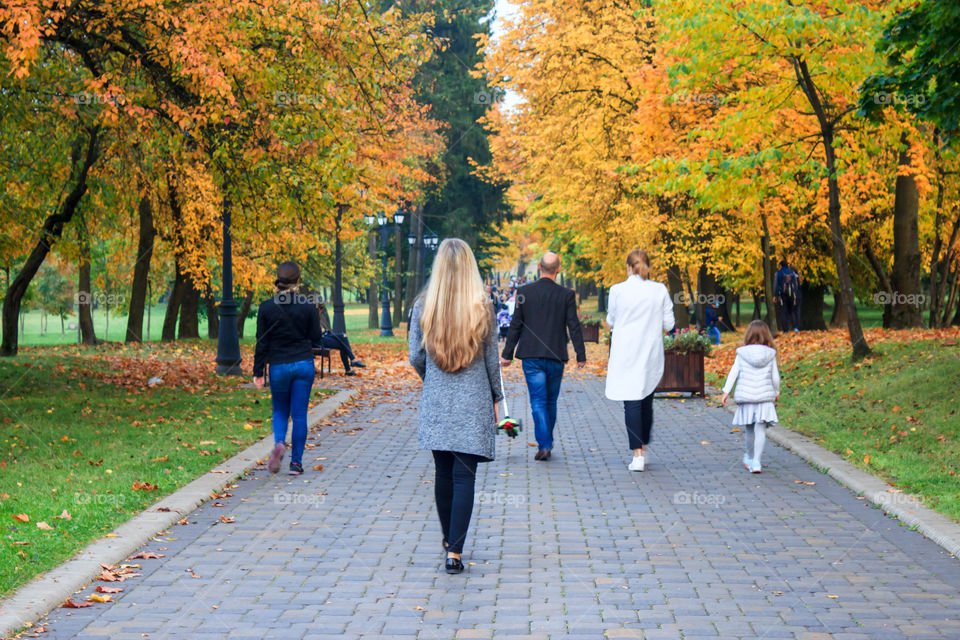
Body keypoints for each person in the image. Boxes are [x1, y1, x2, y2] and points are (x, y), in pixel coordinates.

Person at [408, 238, 503, 575]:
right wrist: (496, 399)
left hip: (437, 401)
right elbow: (492, 362)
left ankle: (449, 540)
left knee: (443, 473)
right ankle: (456, 552)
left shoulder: (423, 306)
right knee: (464, 476)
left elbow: (415, 357)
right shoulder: (482, 307)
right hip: (472, 401)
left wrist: (432, 379)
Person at [501, 252, 586, 461]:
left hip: (531, 356)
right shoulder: (566, 295)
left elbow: (515, 326)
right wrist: (580, 354)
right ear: (558, 269)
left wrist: (507, 355)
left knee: (538, 401)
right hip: (556, 355)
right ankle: (546, 443)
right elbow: (573, 325)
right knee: (550, 401)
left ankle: (545, 444)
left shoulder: (524, 292)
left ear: (539, 267)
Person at [604, 250, 675, 472]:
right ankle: (642, 444)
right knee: (646, 398)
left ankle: (638, 453)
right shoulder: (659, 290)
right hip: (650, 351)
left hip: (625, 352)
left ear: (627, 267)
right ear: (648, 267)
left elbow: (611, 320)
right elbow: (669, 324)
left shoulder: (617, 290)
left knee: (631, 401)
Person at [253, 261, 323, 476]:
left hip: (278, 366)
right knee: (300, 415)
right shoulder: (307, 306)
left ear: (278, 280)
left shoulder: (266, 307)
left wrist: (258, 372)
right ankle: (296, 464)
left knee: (281, 411)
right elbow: (316, 339)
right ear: (297, 281)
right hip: (303, 364)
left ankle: (280, 443)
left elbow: (261, 342)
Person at [721, 320, 780, 473]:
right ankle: (757, 462)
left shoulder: (742, 353)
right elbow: (775, 377)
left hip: (746, 397)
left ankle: (749, 455)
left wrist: (726, 391)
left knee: (749, 429)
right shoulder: (770, 354)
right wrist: (776, 391)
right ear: (767, 335)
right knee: (760, 429)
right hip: (764, 398)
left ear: (748, 334)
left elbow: (734, 372)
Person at [314, 301, 365, 376]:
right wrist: (321, 330)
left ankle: (351, 364)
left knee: (343, 336)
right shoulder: (312, 318)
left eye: (322, 309)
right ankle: (351, 365)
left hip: (324, 336)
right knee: (343, 342)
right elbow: (313, 333)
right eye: (320, 309)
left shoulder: (317, 317)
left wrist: (323, 330)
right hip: (320, 341)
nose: (321, 311)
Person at [774, 259, 801, 332]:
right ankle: (795, 327)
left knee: (784, 312)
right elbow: (796, 284)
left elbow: (775, 285)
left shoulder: (778, 273)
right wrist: (794, 292)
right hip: (792, 295)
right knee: (792, 311)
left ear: (781, 265)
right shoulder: (792, 272)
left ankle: (785, 329)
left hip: (782, 295)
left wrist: (775, 295)